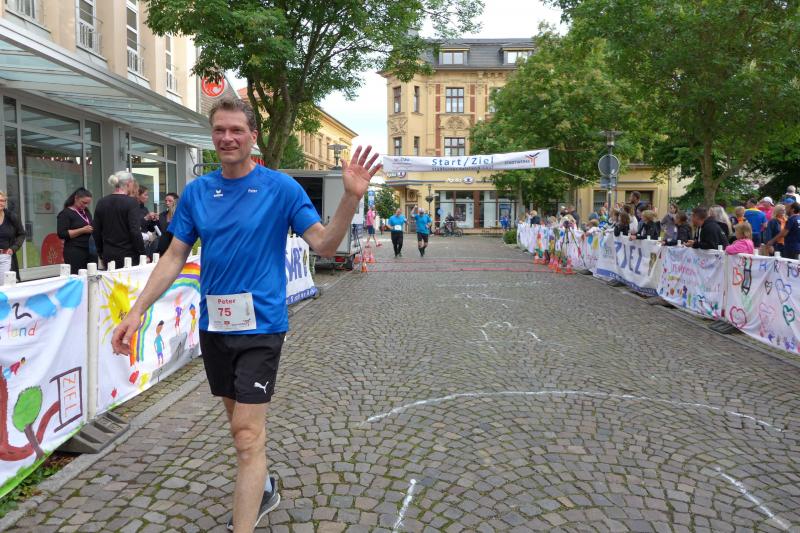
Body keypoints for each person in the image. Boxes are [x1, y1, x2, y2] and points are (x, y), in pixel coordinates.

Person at [111, 97, 381, 532]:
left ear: (253, 136)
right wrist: (137, 311)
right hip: (215, 326)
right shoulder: (198, 192)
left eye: (236, 129)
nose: (227, 138)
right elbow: (174, 256)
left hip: (262, 327)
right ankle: (265, 488)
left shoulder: (281, 188)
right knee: (239, 429)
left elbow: (325, 244)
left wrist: (350, 198)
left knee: (247, 434)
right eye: (219, 130)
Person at [93, 171, 145, 269]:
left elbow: (96, 231)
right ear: (129, 183)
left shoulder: (101, 202)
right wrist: (142, 253)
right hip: (128, 255)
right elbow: (135, 231)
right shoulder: (131, 202)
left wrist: (101, 252)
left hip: (108, 254)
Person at [57, 187, 97, 274]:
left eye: (88, 203)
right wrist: (82, 230)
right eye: (83, 202)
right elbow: (62, 234)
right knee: (77, 275)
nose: (86, 205)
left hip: (89, 250)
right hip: (75, 251)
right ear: (76, 198)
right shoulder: (65, 213)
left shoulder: (86, 212)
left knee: (91, 275)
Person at [0, 191, 25, 283]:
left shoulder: (12, 217)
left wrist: (14, 248)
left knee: (6, 286)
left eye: (3, 200)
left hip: (6, 256)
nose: (1, 203)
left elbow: (21, 234)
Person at [137, 185, 159, 257]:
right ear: (138, 195)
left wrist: (154, 220)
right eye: (145, 195)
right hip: (137, 242)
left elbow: (150, 228)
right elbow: (134, 226)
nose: (147, 197)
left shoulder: (145, 209)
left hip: (146, 243)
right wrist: (146, 218)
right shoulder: (132, 209)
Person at [157, 192, 179, 256]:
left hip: (175, 248)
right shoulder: (162, 215)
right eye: (166, 201)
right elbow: (158, 230)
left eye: (170, 201)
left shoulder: (180, 216)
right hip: (163, 248)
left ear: (175, 202)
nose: (167, 203)